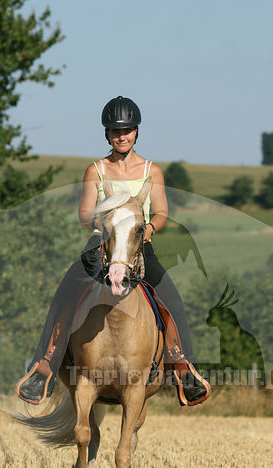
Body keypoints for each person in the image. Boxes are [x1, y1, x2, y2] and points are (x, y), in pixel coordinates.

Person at [17, 96, 210, 406]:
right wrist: (103, 221)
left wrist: (148, 229)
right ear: (107, 134)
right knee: (63, 295)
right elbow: (83, 215)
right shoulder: (96, 170)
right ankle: (44, 368)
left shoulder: (152, 171)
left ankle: (185, 369)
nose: (122, 136)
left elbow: (160, 212)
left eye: (128, 130)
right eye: (116, 131)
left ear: (136, 132)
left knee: (172, 299)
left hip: (137, 246)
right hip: (100, 246)